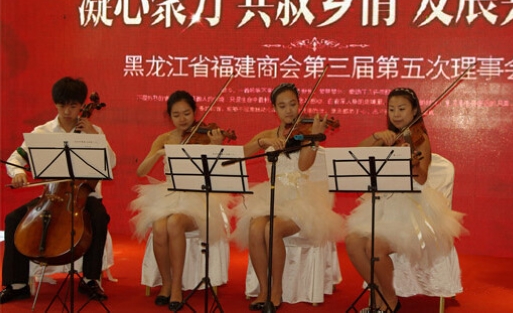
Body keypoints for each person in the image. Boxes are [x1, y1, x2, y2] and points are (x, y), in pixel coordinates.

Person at [344, 87, 466, 313]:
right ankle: (379, 294)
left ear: (414, 111)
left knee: (374, 248)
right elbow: (355, 155)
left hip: (413, 211)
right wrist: (376, 137)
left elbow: (421, 179)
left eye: (401, 109)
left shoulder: (419, 139)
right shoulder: (388, 138)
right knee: (352, 242)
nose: (396, 114)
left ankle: (390, 302)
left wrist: (412, 164)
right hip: (383, 206)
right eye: (391, 109)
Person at [1, 77, 116, 304]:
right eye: (62, 105)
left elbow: (111, 162)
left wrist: (95, 136)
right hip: (51, 195)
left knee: (99, 217)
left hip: (85, 195)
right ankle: (17, 284)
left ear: (81, 106)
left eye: (73, 106)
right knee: (13, 219)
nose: (67, 111)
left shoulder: (94, 131)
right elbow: (15, 158)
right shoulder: (42, 132)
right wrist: (18, 173)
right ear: (55, 104)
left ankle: (91, 279)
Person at [232, 83, 345, 311]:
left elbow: (304, 166)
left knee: (271, 229)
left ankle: (276, 290)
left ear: (299, 104)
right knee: (255, 227)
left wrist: (313, 139)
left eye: (293, 104)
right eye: (282, 106)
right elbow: (240, 154)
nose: (289, 110)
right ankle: (263, 290)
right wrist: (262, 142)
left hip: (301, 199)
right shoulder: (268, 135)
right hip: (272, 195)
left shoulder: (305, 133)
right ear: (274, 109)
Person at [130, 90, 232, 312]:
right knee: (159, 226)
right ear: (169, 116)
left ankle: (176, 287)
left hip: (198, 196)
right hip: (168, 195)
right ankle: (166, 283)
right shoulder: (164, 139)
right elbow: (141, 171)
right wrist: (158, 154)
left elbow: (218, 172)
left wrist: (216, 146)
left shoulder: (205, 135)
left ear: (194, 112)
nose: (182, 119)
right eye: (176, 115)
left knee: (175, 223)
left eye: (187, 113)